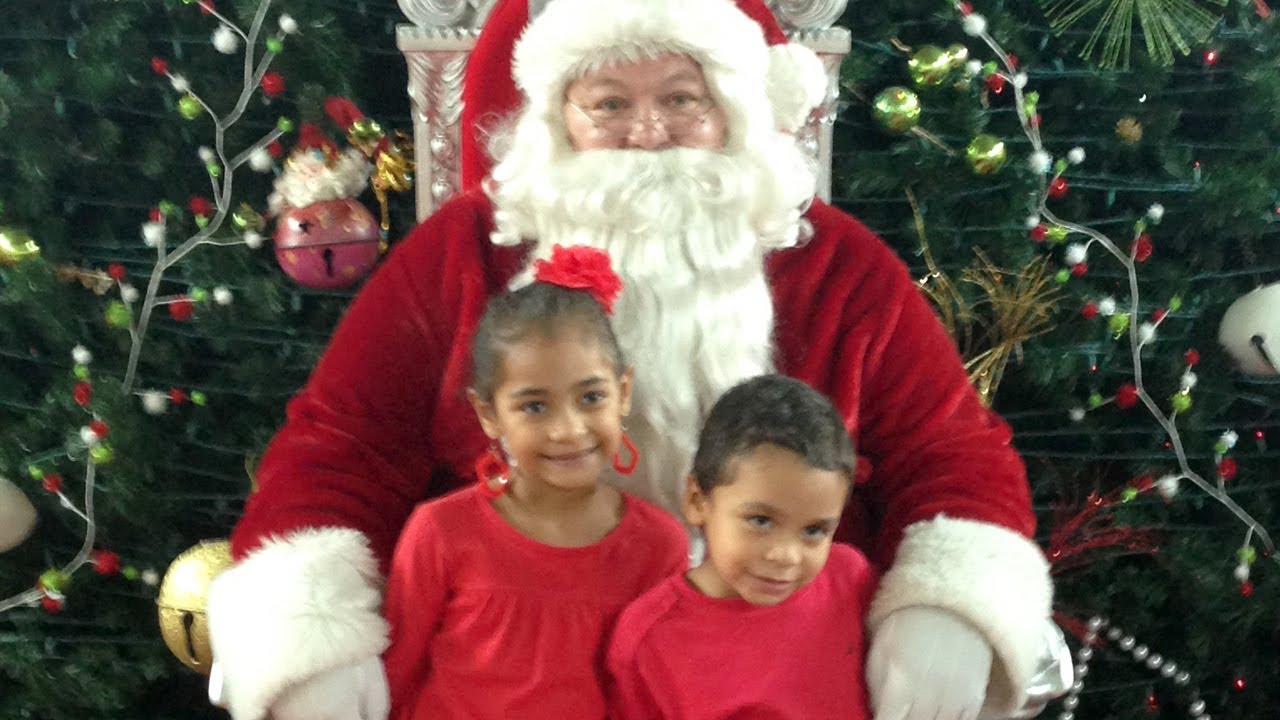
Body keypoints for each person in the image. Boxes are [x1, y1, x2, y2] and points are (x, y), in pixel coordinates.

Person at [206, 1, 1055, 720]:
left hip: (772, 658)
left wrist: (945, 606)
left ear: (732, 111)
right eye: (609, 103)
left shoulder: (835, 263)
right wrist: (310, 627)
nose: (648, 134)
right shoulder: (462, 251)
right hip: (518, 659)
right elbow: (342, 443)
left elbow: (949, 449)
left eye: (682, 99)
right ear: (558, 121)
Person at [380, 244, 688, 719]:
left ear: (623, 392)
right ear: (489, 414)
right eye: (535, 406)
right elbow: (395, 677)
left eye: (591, 397)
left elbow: (653, 695)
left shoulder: (659, 546)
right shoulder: (439, 531)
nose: (569, 430)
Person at [606, 374, 876, 720]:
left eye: (814, 530)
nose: (786, 555)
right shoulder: (649, 637)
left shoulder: (850, 581)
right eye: (761, 521)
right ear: (697, 501)